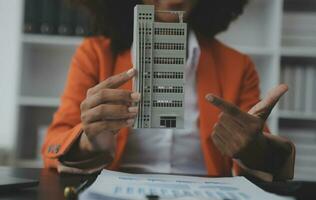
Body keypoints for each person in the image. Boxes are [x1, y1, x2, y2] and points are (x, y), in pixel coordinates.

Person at [42, 0, 295, 181]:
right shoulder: (95, 55)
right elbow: (53, 145)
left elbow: (258, 150)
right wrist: (90, 140)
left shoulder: (237, 65)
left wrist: (252, 148)